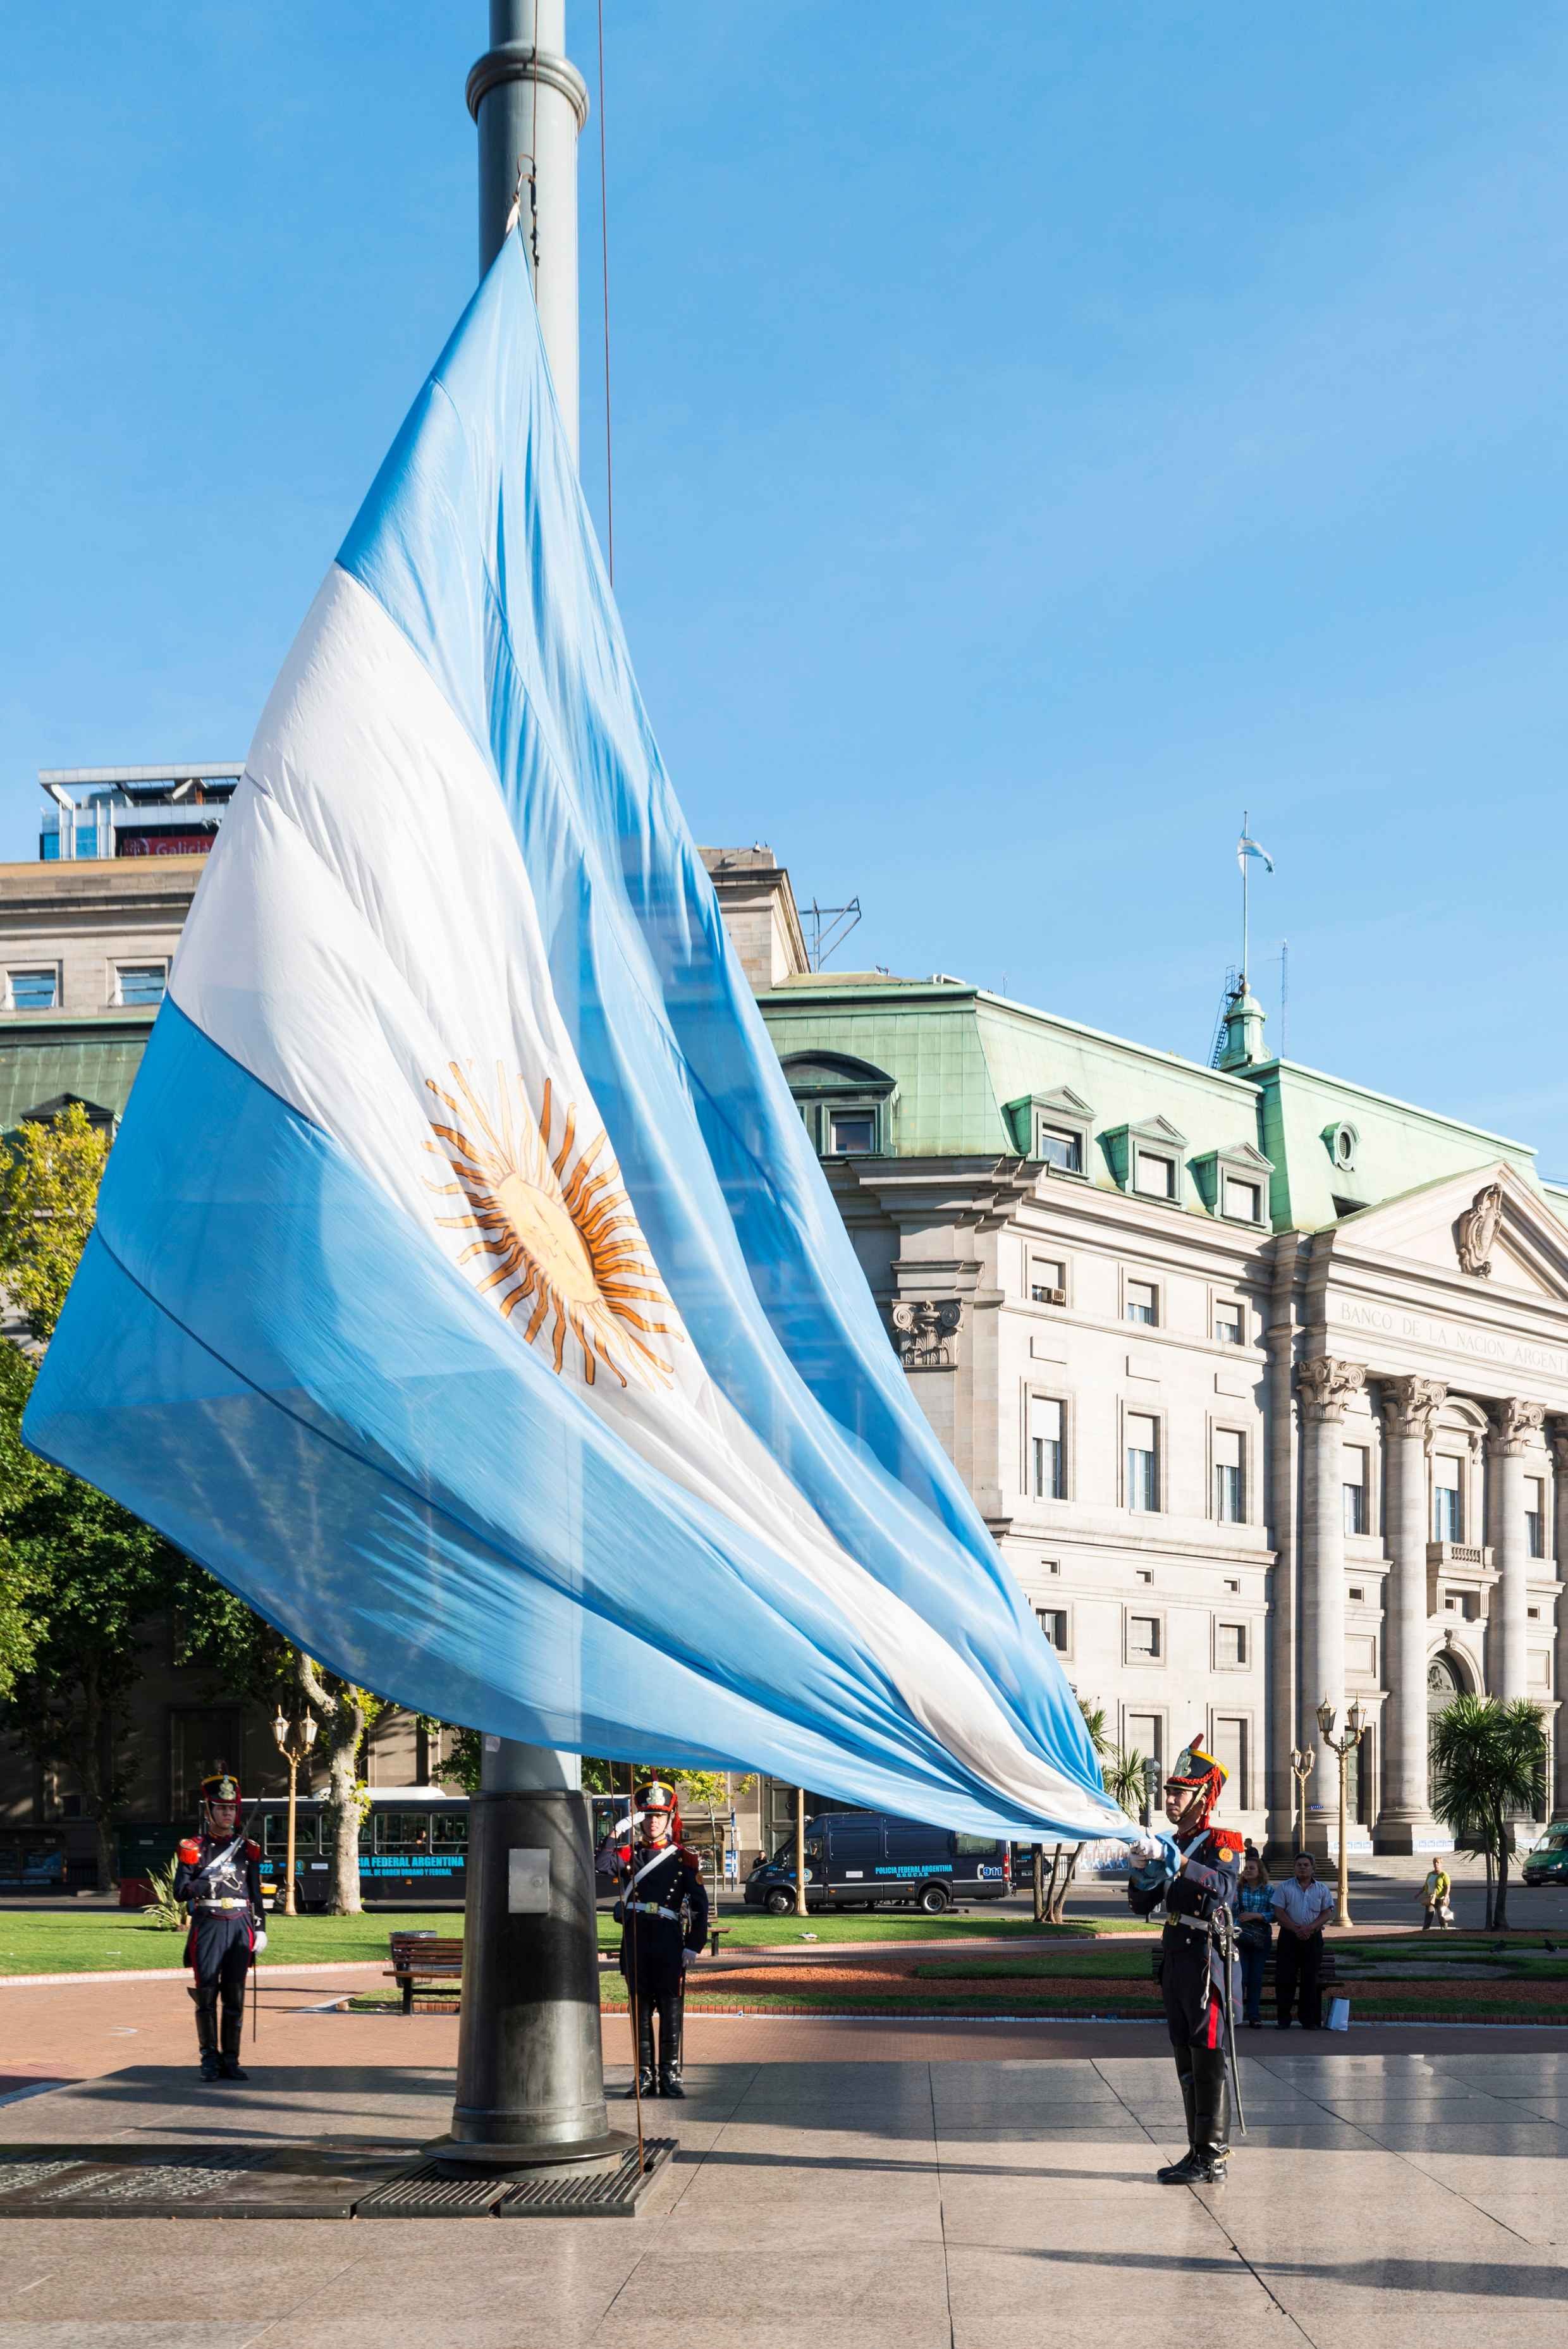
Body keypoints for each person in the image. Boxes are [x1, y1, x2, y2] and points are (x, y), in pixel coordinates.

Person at [1127, 1735, 1242, 2186]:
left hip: (1206, 1958)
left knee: (1208, 2053)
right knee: (1185, 2055)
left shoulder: (1221, 1841)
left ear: (1202, 1797)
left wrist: (1178, 1863)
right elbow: (1141, 1904)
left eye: (1179, 1791)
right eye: (1170, 1790)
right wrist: (1141, 1869)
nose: (1170, 1798)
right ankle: (1197, 2146)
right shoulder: (1172, 1843)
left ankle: (1213, 2154)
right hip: (1176, 1954)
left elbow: (1225, 1889)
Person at [611, 1779, 708, 2099]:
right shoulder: (629, 1854)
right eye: (647, 1816)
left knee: (670, 2011)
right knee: (639, 2013)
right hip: (637, 1940)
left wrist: (694, 1944)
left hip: (668, 1942)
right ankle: (644, 2075)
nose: (653, 1822)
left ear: (670, 1819)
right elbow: (599, 1863)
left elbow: (700, 1905)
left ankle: (669, 2074)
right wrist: (619, 1828)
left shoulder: (684, 1859)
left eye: (659, 1816)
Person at [173, 1771, 266, 2082]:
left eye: (232, 1808)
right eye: (221, 1808)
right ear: (209, 1810)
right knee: (207, 1995)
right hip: (209, 1925)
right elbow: (179, 1892)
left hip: (240, 1925)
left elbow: (255, 1893)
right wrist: (204, 1880)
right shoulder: (193, 1848)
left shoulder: (247, 1849)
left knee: (235, 1997)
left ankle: (231, 2060)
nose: (228, 1813)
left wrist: (261, 1928)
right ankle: (209, 2060)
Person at [1272, 1852, 1334, 2028]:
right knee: (1285, 1979)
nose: (1302, 1868)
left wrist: (1310, 1928)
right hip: (1289, 1938)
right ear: (1294, 1867)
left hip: (1313, 1938)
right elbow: (1279, 1911)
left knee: (1310, 1980)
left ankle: (1308, 2020)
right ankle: (1284, 2020)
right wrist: (1295, 1928)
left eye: (1306, 1865)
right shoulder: (1284, 1887)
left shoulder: (1322, 1889)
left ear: (1313, 1868)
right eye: (1299, 1865)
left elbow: (1327, 1912)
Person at [1235, 1852, 1273, 2028]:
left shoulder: (1269, 1890)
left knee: (1255, 1978)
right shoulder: (1238, 1889)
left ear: (1260, 1871)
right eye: (1246, 1868)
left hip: (1260, 1939)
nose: (1248, 1871)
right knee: (1240, 1978)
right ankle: (1237, 2014)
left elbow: (1275, 1914)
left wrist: (1256, 1915)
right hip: (1240, 1938)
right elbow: (1232, 1913)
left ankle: (1254, 2015)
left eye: (1252, 1868)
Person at [1419, 1861, 1453, 1932]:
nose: (1436, 1864)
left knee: (1441, 1915)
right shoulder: (1430, 1874)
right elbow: (1426, 1885)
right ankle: (1426, 1929)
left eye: (1438, 1863)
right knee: (1429, 1913)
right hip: (1430, 1898)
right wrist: (1419, 1893)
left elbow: (1448, 1887)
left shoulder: (1444, 1874)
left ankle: (1444, 1928)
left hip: (1440, 1899)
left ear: (1441, 1864)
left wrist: (1446, 1896)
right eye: (1435, 1863)